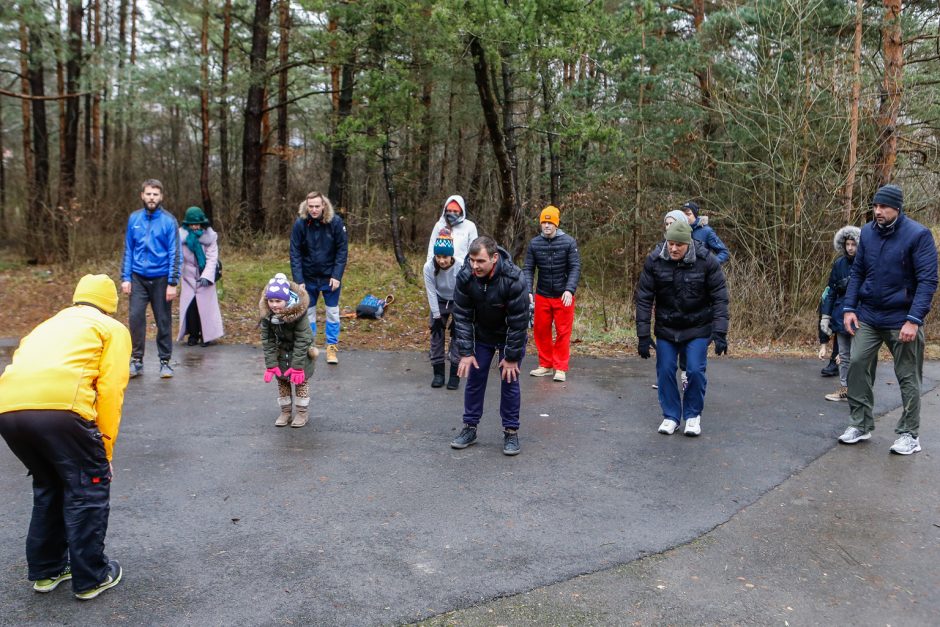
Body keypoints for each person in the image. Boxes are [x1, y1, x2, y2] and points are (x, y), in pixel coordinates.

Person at [0, 274, 131, 600]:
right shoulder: (110, 328)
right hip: (62, 410)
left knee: (50, 484)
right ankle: (92, 577)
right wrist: (105, 449)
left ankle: (48, 571)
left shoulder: (46, 326)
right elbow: (111, 390)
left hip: (9, 410)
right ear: (110, 305)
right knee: (88, 487)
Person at [838, 184, 938, 454]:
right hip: (869, 314)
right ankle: (860, 424)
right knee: (857, 364)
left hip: (902, 319)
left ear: (897, 207)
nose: (878, 211)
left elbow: (928, 281)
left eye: (883, 207)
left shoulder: (918, 235)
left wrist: (914, 319)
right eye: (875, 206)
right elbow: (858, 271)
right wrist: (849, 308)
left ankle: (909, 434)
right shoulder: (867, 233)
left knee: (907, 376)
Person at [635, 221, 729, 436]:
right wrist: (642, 334)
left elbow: (720, 298)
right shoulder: (655, 260)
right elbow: (644, 298)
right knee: (666, 370)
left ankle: (693, 416)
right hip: (667, 328)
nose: (674, 249)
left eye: (679, 245)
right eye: (670, 243)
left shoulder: (707, 261)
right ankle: (671, 416)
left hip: (697, 327)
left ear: (689, 244)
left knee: (695, 371)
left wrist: (721, 331)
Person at [450, 236, 529, 455]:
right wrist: (466, 352)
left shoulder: (514, 278)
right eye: (472, 260)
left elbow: (519, 321)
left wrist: (511, 356)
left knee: (509, 379)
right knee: (475, 379)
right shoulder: (466, 276)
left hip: (509, 335)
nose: (475, 265)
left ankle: (511, 432)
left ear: (494, 258)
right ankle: (470, 428)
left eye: (480, 261)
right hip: (482, 334)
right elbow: (462, 315)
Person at [121, 178, 181, 378]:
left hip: (162, 278)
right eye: (148, 194)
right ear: (142, 195)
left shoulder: (169, 221)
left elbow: (175, 253)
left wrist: (172, 282)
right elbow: (128, 249)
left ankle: (165, 361)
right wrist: (125, 277)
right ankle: (136, 360)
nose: (152, 198)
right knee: (136, 318)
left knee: (163, 320)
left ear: (161, 197)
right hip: (138, 277)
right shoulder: (134, 219)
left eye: (155, 194)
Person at [524, 205, 581, 382]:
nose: (547, 225)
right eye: (544, 222)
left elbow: (575, 267)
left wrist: (569, 290)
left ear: (556, 224)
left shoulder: (569, 242)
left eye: (550, 222)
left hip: (563, 295)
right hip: (542, 294)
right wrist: (528, 290)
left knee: (563, 332)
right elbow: (528, 268)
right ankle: (546, 365)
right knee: (541, 330)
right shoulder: (534, 244)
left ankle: (560, 367)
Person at [290, 191, 348, 365]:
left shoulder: (335, 222)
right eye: (311, 206)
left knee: (332, 313)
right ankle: (310, 346)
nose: (314, 210)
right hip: (308, 278)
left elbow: (342, 250)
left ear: (323, 205)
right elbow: (295, 253)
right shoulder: (300, 224)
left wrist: (336, 276)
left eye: (317, 206)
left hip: (330, 278)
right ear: (306, 206)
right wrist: (299, 280)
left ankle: (332, 348)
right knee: (309, 314)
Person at [260, 274, 318, 428]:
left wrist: (298, 367)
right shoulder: (267, 316)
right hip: (281, 352)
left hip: (301, 352)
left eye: (278, 301)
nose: (274, 305)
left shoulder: (298, 314)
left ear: (286, 299)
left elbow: (303, 339)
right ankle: (285, 411)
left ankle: (301, 412)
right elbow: (267, 340)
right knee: (282, 382)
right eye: (271, 301)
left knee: (300, 382)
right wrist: (271, 364)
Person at [819, 225, 861, 402]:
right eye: (847, 244)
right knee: (843, 356)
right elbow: (830, 292)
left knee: (859, 357)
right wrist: (825, 317)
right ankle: (845, 389)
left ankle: (859, 390)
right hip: (840, 315)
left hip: (860, 317)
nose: (850, 247)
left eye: (853, 244)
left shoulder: (866, 263)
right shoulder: (839, 264)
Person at [176, 206, 224, 347]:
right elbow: (178, 258)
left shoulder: (210, 237)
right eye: (192, 224)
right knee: (191, 308)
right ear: (187, 224)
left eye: (198, 224)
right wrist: (176, 276)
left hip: (205, 278)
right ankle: (192, 335)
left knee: (205, 308)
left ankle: (207, 336)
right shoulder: (181, 238)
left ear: (203, 223)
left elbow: (212, 258)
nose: (195, 227)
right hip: (188, 278)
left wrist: (207, 276)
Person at [423, 229, 461, 389]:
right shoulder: (429, 267)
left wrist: (458, 317)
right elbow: (431, 291)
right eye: (438, 257)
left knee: (458, 337)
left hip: (457, 301)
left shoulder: (460, 266)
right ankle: (438, 373)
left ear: (451, 255)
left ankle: (454, 374)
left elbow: (464, 292)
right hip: (439, 300)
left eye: (445, 257)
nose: (442, 261)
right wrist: (437, 317)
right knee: (437, 335)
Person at [426, 194, 478, 265]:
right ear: (445, 210)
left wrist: (469, 268)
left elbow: (473, 250)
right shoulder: (439, 225)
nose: (452, 213)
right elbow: (431, 248)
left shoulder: (470, 226)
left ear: (461, 211)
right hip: (441, 266)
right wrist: (430, 265)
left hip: (461, 268)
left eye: (455, 211)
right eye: (449, 211)